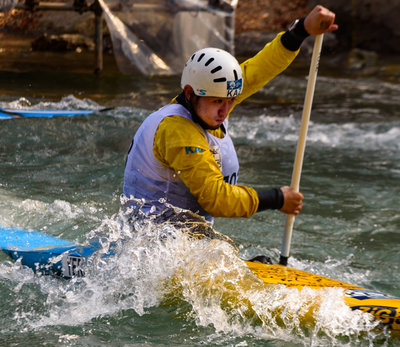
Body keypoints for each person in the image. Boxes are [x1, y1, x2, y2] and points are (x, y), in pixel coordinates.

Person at [123, 5, 338, 225]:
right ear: (190, 93)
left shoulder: (209, 102)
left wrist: (301, 30)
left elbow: (260, 69)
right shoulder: (177, 131)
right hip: (152, 242)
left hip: (185, 237)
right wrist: (278, 198)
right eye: (218, 101)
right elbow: (216, 200)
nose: (225, 110)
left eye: (231, 101)